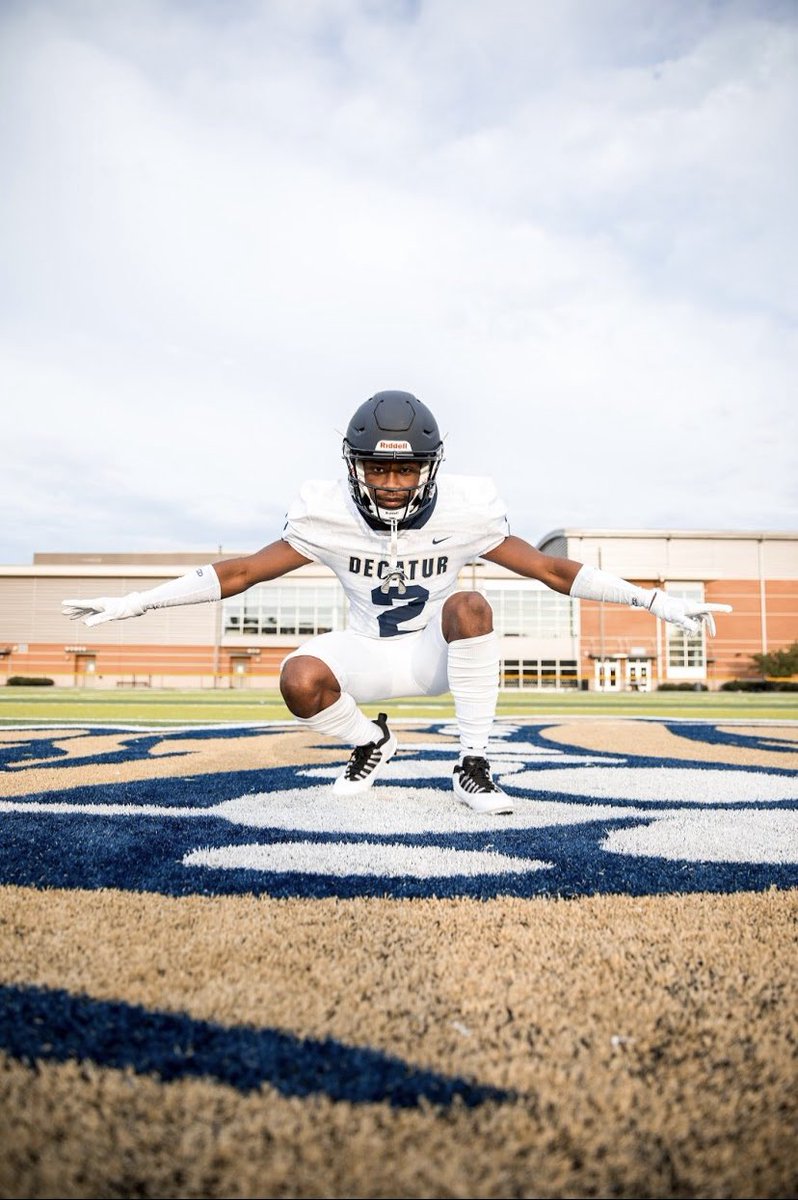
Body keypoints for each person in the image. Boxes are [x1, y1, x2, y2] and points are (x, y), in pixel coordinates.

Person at [62, 390, 732, 816]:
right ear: (353, 465)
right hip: (365, 652)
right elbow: (240, 573)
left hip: (435, 654)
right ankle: (371, 741)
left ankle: (472, 763)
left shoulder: (466, 514)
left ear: (429, 467)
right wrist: (134, 605)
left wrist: (654, 602)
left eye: (404, 468)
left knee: (470, 608)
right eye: (377, 468)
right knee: (298, 678)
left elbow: (551, 569)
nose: (388, 483)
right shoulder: (326, 517)